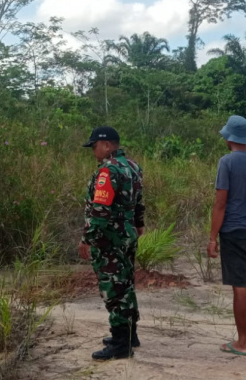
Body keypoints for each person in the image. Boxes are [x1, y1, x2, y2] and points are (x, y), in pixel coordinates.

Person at [78, 126, 144, 360]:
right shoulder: (133, 166)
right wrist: (139, 224)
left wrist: (88, 238)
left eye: (95, 146)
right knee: (126, 283)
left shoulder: (108, 170)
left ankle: (120, 344)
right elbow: (138, 202)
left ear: (107, 145)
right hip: (127, 234)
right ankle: (129, 334)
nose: (94, 151)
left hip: (109, 238)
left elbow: (100, 210)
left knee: (114, 289)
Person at [207, 115, 246, 357]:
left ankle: (243, 342)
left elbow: (220, 203)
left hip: (234, 232)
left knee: (239, 286)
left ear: (228, 138)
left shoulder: (227, 162)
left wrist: (213, 237)